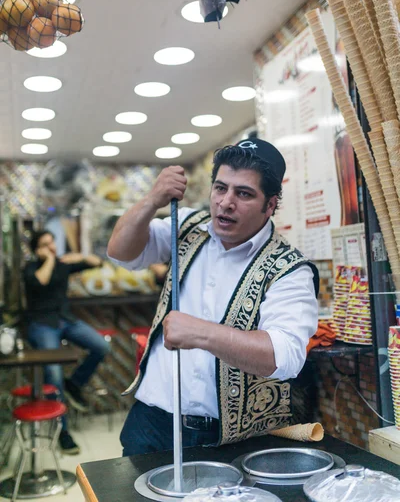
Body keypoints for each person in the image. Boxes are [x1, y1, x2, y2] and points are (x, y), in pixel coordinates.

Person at [108, 138, 319, 456]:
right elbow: (121, 253)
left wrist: (200, 332)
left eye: (244, 193)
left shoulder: (288, 268)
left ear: (271, 204)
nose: (226, 202)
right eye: (220, 188)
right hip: (151, 418)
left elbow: (285, 356)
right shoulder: (187, 226)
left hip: (232, 436)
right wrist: (153, 199)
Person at [24, 230, 111, 455]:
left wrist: (78, 255)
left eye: (51, 242)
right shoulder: (31, 269)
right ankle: (63, 431)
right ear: (36, 250)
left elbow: (98, 262)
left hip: (66, 320)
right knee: (53, 373)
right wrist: (51, 259)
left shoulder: (63, 264)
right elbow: (41, 281)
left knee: (101, 346)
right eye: (44, 245)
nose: (51, 247)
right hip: (42, 324)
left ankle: (74, 384)